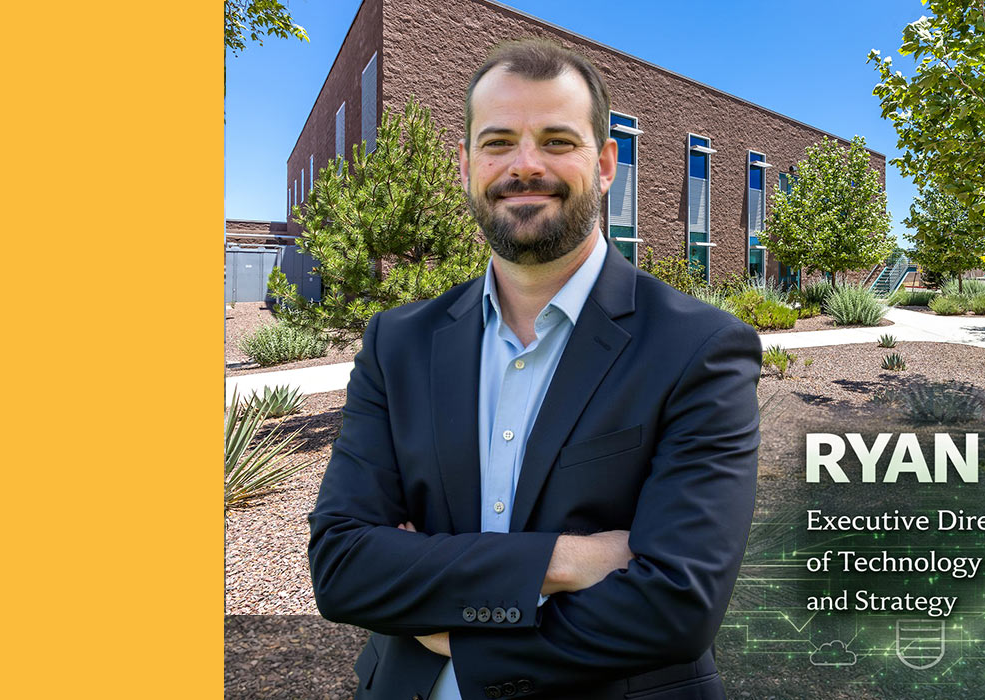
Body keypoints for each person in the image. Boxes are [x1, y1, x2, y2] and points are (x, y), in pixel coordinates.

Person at [306, 37, 762, 700]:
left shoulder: (700, 347)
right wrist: (566, 561)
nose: (525, 166)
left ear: (605, 164)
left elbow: (677, 604)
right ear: (465, 165)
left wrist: (457, 626)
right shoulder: (397, 344)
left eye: (556, 140)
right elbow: (344, 568)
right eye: (497, 143)